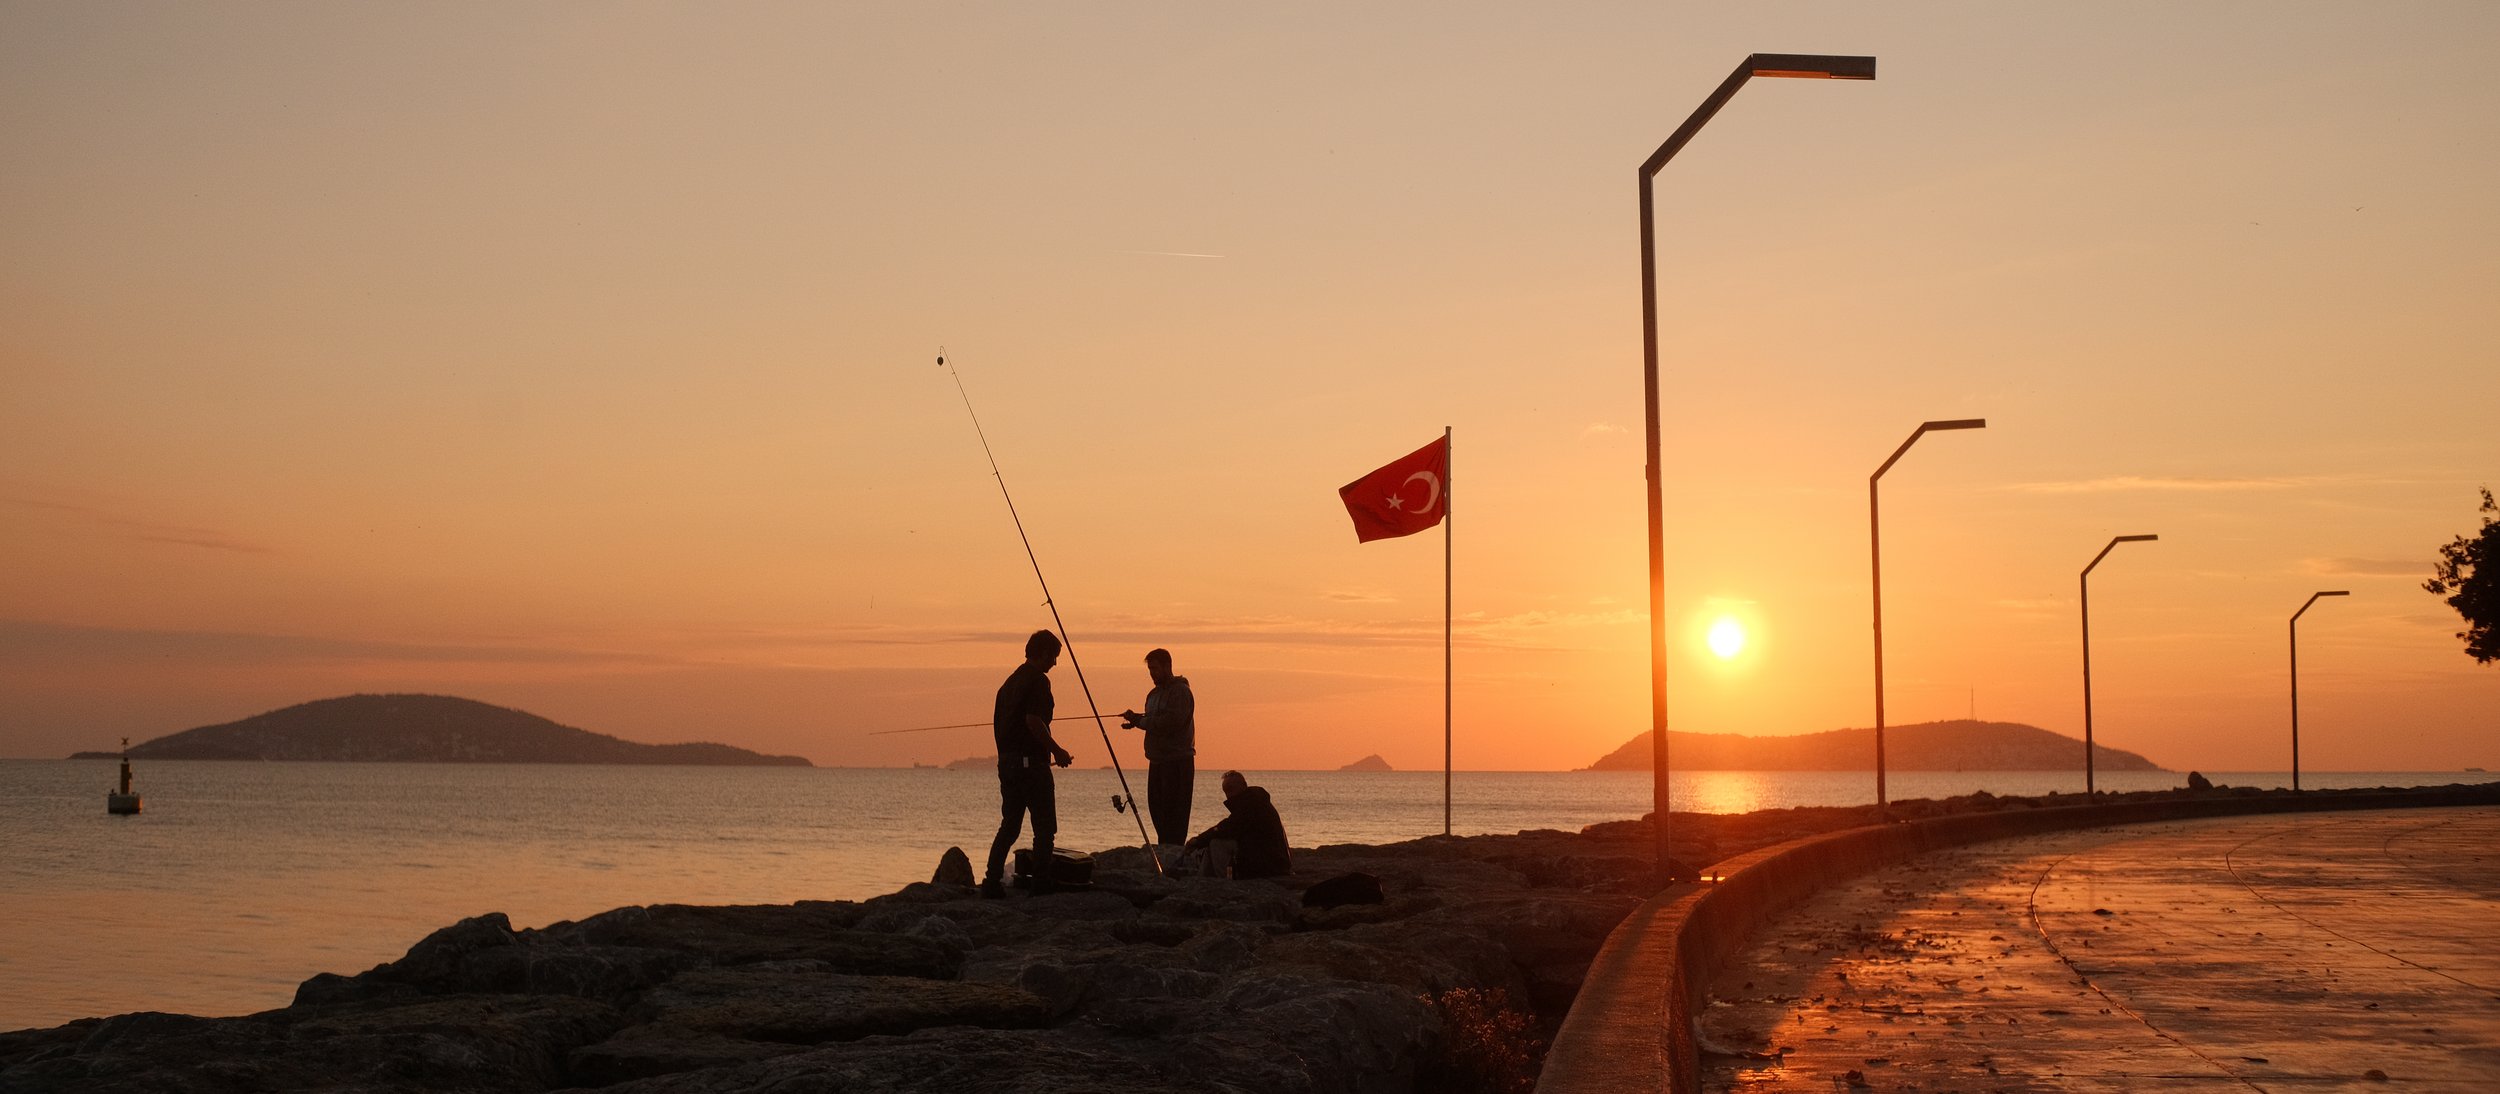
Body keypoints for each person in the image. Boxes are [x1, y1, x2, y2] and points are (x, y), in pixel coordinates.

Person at [985, 629, 1073, 898]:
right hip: (1030, 765)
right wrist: (1057, 750)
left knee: (1010, 825)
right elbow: (1034, 721)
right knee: (1045, 827)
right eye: (1054, 656)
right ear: (1044, 653)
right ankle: (1041, 883)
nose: (1055, 663)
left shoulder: (1009, 683)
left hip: (1007, 763)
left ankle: (991, 882)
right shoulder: (1038, 682)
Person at [1118, 647, 1195, 848]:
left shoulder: (1181, 692)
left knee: (1174, 814)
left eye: (1155, 668)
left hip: (1177, 762)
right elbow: (1153, 721)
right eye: (1150, 669)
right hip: (1157, 761)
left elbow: (1170, 722)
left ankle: (1174, 854)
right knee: (1158, 811)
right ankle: (1164, 849)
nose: (1152, 673)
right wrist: (1136, 720)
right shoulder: (1152, 695)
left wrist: (1140, 721)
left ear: (1167, 666)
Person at [1182, 770, 1291, 879]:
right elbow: (1230, 826)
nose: (1229, 793)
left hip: (1270, 865)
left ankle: (1222, 880)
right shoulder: (1254, 801)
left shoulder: (1251, 805)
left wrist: (1198, 840)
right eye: (1226, 789)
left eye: (1231, 788)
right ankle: (1204, 878)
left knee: (1217, 843)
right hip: (1272, 861)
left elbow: (1227, 828)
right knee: (1213, 842)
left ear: (1244, 785)